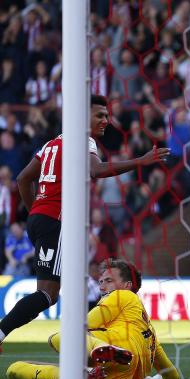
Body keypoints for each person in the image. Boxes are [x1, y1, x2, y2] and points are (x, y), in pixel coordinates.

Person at [0, 95, 170, 346]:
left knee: (76, 286)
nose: (106, 120)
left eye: (107, 115)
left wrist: (36, 210)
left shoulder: (50, 145)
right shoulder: (83, 140)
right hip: (55, 222)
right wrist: (140, 161)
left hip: (42, 219)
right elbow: (96, 170)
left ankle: (93, 346)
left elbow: (23, 179)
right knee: (47, 294)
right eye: (99, 115)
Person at [6, 258, 180, 379]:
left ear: (128, 286)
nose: (102, 286)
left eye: (109, 280)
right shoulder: (151, 333)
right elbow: (172, 376)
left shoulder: (122, 295)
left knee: (59, 337)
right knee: (24, 372)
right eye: (101, 281)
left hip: (117, 348)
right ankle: (86, 372)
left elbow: (84, 324)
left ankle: (104, 349)